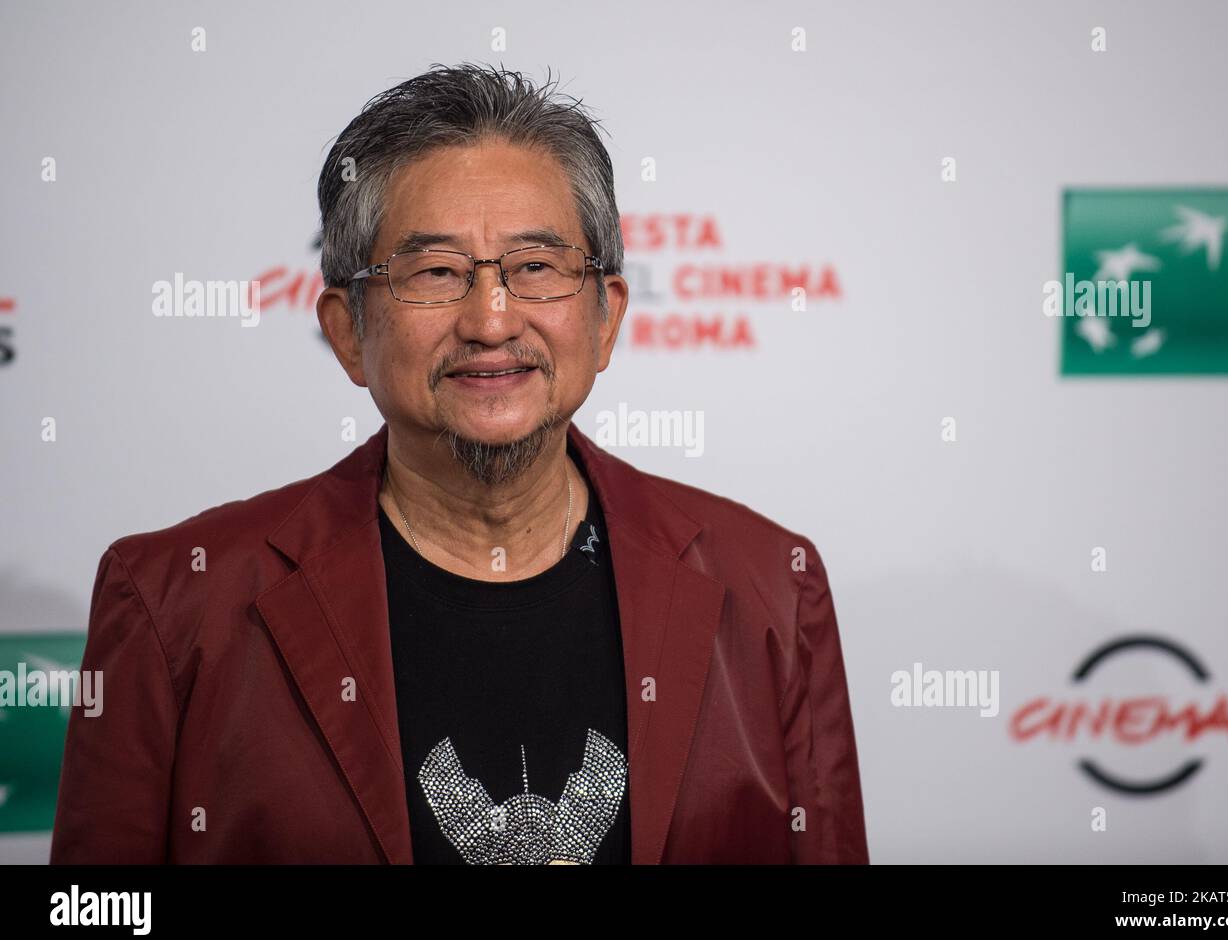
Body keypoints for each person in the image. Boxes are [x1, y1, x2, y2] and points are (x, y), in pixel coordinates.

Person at [50, 62, 869, 865]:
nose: (490, 318)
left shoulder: (771, 587)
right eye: (436, 272)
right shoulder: (172, 602)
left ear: (606, 316)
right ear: (347, 331)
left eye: (536, 267)